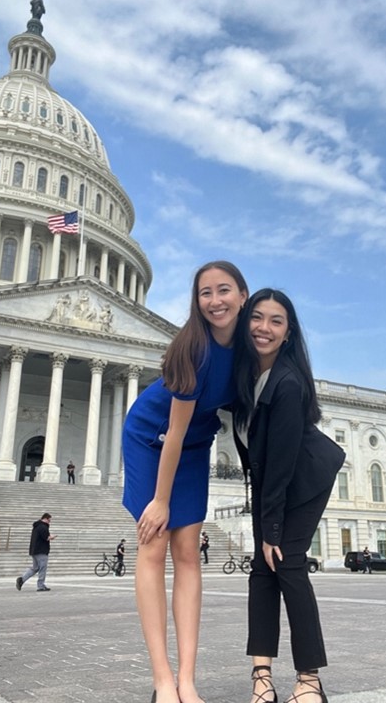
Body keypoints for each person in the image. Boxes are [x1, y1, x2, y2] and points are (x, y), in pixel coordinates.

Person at [122, 261, 248, 703]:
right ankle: (162, 680)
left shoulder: (248, 349)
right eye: (205, 293)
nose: (215, 301)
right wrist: (159, 501)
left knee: (188, 552)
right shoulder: (193, 349)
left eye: (224, 290)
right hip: (150, 438)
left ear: (242, 296)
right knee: (153, 544)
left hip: (195, 446)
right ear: (196, 302)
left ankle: (188, 681)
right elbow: (171, 433)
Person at [232, 289, 345, 703]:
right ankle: (261, 676)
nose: (264, 328)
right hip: (270, 482)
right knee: (261, 571)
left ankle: (309, 680)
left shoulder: (288, 382)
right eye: (257, 318)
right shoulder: (245, 377)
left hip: (304, 480)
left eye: (275, 321)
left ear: (288, 332)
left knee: (287, 564)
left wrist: (272, 528)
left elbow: (281, 460)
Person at [16, 513, 57, 592]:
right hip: (41, 551)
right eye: (49, 520)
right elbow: (46, 537)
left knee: (35, 568)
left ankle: (22, 579)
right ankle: (40, 585)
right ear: (45, 519)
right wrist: (52, 537)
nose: (49, 522)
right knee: (42, 568)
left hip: (34, 551)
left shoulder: (37, 526)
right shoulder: (43, 527)